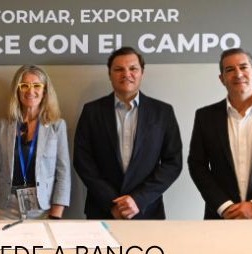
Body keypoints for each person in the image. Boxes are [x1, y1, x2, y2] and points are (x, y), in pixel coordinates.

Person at [74, 46, 182, 220]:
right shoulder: (92, 111)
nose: (126, 74)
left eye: (133, 68)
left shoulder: (163, 112)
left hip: (147, 211)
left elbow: (173, 163)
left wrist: (138, 200)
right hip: (103, 210)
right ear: (110, 74)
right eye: (119, 69)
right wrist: (112, 202)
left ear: (142, 72)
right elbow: (83, 161)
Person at [188, 48, 252, 219]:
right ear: (222, 79)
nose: (238, 74)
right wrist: (224, 206)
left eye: (243, 67)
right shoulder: (205, 117)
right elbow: (197, 165)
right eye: (229, 69)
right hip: (222, 218)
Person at [0, 65, 71, 220]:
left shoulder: (56, 126)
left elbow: (63, 173)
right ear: (17, 91)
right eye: (24, 85)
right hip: (7, 208)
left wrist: (56, 215)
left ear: (45, 91)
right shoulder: (3, 126)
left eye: (37, 85)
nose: (30, 91)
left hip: (42, 209)